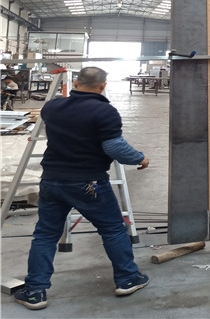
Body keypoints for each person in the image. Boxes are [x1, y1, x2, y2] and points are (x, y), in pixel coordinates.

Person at [14, 67, 150, 311]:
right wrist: (140, 158)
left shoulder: (52, 108)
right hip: (89, 182)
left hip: (53, 180)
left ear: (76, 83)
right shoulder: (105, 111)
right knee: (112, 229)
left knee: (45, 234)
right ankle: (128, 278)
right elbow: (114, 147)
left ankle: (35, 291)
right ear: (102, 86)